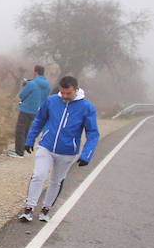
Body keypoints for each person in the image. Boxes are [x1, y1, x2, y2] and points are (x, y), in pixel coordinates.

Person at [19, 75, 99, 222]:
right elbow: (39, 120)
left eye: (68, 93)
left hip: (68, 152)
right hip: (46, 146)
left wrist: (86, 155)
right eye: (62, 93)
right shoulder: (51, 101)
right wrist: (30, 139)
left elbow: (93, 133)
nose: (65, 96)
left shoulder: (87, 107)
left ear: (76, 90)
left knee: (56, 181)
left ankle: (46, 208)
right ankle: (29, 208)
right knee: (38, 175)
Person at [11, 65, 51, 156]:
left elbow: (22, 95)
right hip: (38, 110)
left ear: (35, 72)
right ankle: (23, 149)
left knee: (20, 130)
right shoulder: (47, 85)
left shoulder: (32, 83)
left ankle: (19, 152)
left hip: (26, 109)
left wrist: (25, 86)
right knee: (27, 129)